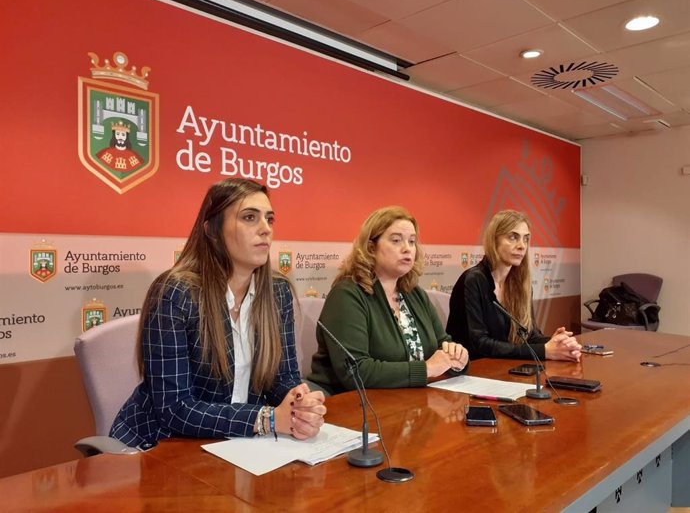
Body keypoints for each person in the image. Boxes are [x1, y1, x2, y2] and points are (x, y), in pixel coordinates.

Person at [111, 179, 326, 448]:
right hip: (160, 446)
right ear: (212, 230)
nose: (266, 230)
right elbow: (175, 409)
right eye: (250, 218)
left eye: (269, 219)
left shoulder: (278, 292)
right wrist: (267, 419)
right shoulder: (175, 293)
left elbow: (282, 378)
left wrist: (297, 403)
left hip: (234, 445)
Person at [308, 206, 469, 396]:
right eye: (396, 240)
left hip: (407, 401)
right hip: (352, 404)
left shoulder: (415, 294)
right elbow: (356, 370)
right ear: (371, 248)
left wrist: (457, 357)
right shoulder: (347, 295)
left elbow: (443, 344)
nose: (407, 248)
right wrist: (426, 369)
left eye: (412, 241)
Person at [446, 210, 581, 361]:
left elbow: (530, 335)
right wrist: (544, 351)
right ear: (494, 240)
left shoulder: (521, 284)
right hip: (473, 370)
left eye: (526, 239)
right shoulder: (473, 280)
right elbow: (479, 344)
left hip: (506, 368)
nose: (522, 246)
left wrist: (557, 344)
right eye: (513, 237)